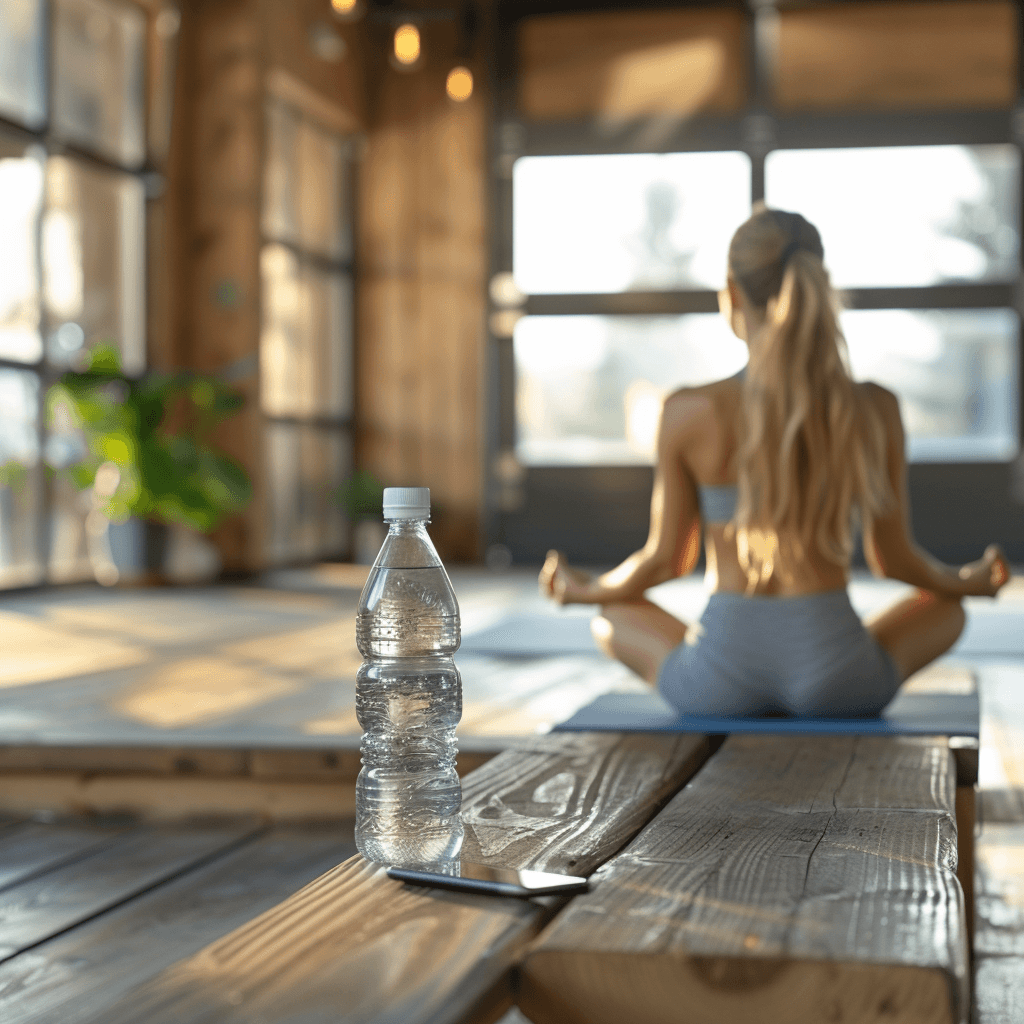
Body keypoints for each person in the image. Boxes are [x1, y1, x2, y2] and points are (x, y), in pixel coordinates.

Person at [539, 205, 1011, 718]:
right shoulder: (874, 408)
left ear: (731, 293)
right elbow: (893, 559)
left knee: (612, 615)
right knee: (947, 610)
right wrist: (968, 582)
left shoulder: (687, 412)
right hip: (839, 680)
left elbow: (666, 560)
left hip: (718, 680)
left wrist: (586, 591)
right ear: (820, 285)